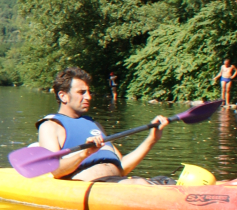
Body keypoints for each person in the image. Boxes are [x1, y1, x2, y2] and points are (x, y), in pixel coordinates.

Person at [38, 67, 169, 183]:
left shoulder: (95, 125)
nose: (88, 97)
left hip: (118, 181)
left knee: (163, 181)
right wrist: (85, 153)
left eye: (88, 92)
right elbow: (55, 170)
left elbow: (122, 167)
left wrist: (152, 139)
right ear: (63, 96)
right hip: (93, 187)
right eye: (81, 92)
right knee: (139, 184)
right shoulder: (51, 126)